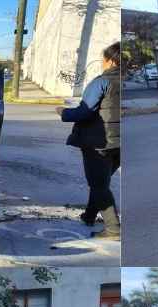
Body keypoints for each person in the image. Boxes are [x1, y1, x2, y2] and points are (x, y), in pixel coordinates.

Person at [58, 42, 120, 240]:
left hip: (99, 142)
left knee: (99, 184)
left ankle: (113, 229)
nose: (102, 63)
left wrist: (64, 112)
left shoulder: (102, 82)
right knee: (100, 181)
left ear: (110, 60)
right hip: (120, 143)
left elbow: (84, 111)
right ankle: (90, 215)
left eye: (103, 59)